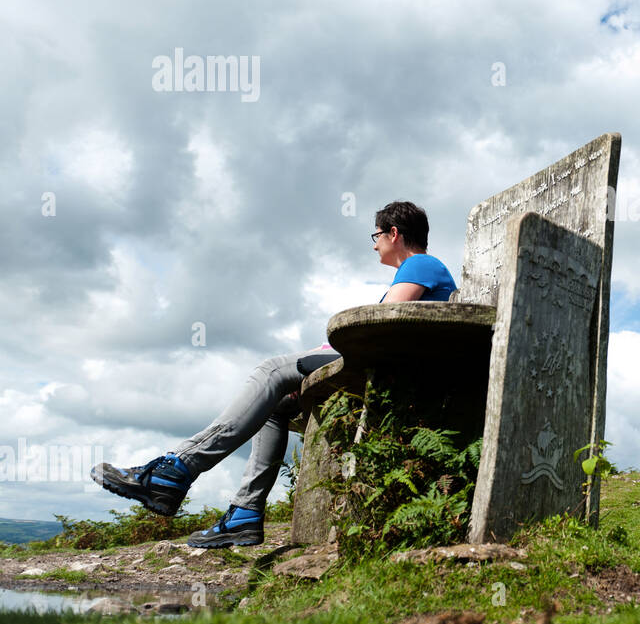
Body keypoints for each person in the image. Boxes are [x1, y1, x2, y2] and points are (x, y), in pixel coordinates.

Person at [90, 201, 456, 548]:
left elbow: (378, 327)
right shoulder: (420, 270)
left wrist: (312, 364)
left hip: (385, 368)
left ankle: (175, 470)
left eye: (375, 236)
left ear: (393, 233)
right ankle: (244, 512)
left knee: (271, 370)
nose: (374, 246)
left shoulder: (421, 265)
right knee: (277, 404)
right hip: (383, 364)